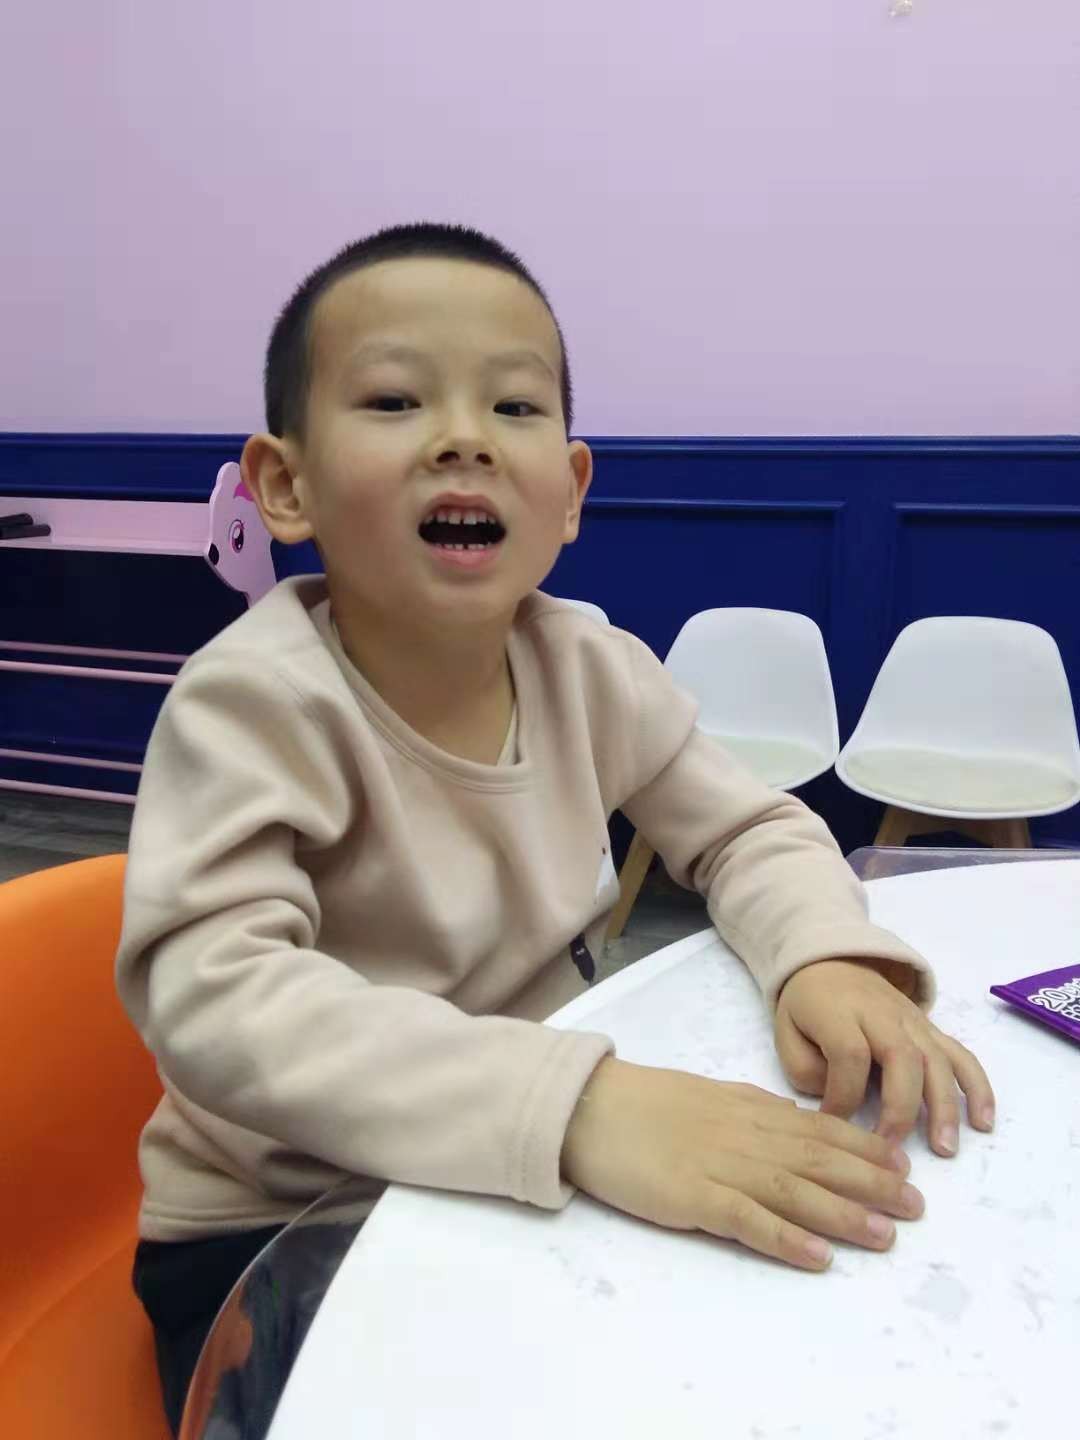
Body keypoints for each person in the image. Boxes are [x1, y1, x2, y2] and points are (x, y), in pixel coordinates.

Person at [117, 222, 995, 1433]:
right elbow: (218, 999)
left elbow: (747, 829)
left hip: (525, 1151)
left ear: (571, 492)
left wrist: (822, 954)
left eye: (515, 406)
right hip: (282, 1217)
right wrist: (578, 1110)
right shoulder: (252, 703)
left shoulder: (589, 664)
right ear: (286, 486)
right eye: (394, 398)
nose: (464, 436)